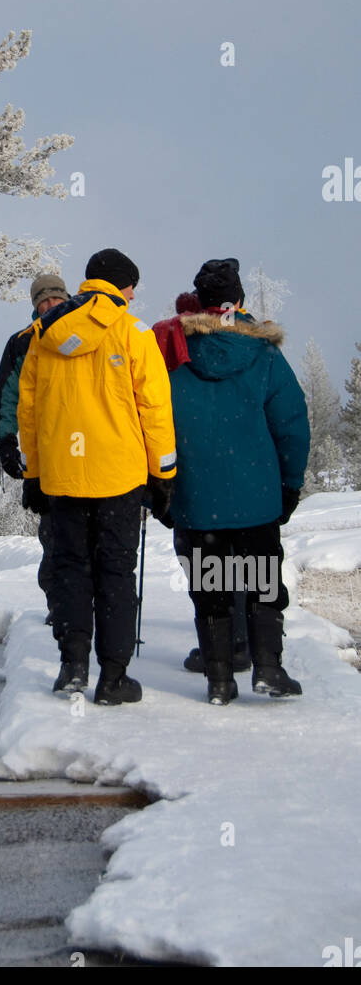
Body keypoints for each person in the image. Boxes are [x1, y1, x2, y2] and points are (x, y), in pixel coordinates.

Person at [17, 249, 177, 705]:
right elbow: (155, 407)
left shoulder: (44, 335)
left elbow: (28, 412)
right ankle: (113, 677)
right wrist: (163, 472)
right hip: (119, 478)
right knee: (115, 574)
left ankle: (71, 668)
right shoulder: (133, 332)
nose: (132, 295)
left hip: (64, 478)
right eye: (132, 287)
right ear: (123, 287)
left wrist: (34, 472)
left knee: (71, 571)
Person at [157, 258, 310, 705]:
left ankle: (220, 681)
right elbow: (292, 423)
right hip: (256, 498)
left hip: (197, 499)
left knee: (210, 591)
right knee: (262, 584)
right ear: (238, 300)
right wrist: (290, 483)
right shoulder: (263, 354)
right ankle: (269, 670)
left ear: (199, 303)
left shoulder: (173, 356)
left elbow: (151, 422)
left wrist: (159, 490)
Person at [153, 289, 251, 675]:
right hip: (242, 472)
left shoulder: (171, 348)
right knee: (240, 559)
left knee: (204, 563)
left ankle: (222, 652)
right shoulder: (250, 341)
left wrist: (157, 484)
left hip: (192, 473)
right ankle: (242, 643)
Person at [0, 273, 70, 611]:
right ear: (35, 305)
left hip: (91, 453)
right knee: (54, 539)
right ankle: (60, 609)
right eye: (44, 300)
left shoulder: (87, 334)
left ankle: (99, 611)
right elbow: (7, 398)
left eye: (56, 298)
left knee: (98, 543)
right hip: (47, 457)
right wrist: (6, 441)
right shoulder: (22, 343)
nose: (51, 305)